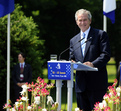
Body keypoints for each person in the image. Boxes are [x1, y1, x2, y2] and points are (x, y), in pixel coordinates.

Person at [69, 9, 111, 111]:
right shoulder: (73, 40)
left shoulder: (100, 35)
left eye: (85, 20)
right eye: (80, 20)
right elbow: (72, 58)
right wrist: (72, 62)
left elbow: (105, 55)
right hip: (80, 85)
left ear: (90, 20)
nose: (82, 22)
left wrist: (93, 64)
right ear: (76, 22)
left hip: (97, 84)